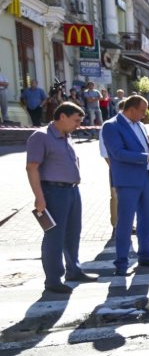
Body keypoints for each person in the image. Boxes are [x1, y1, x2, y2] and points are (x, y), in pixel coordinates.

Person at [25, 102, 98, 294]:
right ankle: (53, 280)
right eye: (75, 120)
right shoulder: (41, 136)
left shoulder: (67, 136)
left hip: (72, 191)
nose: (78, 125)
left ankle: (73, 270)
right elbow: (32, 167)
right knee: (54, 237)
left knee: (73, 233)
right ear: (62, 116)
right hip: (53, 192)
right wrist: (39, 197)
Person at [101, 95, 149, 276]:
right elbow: (118, 153)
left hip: (146, 176)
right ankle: (121, 263)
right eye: (142, 110)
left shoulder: (139, 125)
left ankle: (145, 254)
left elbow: (142, 148)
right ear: (131, 109)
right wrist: (147, 158)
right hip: (128, 180)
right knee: (125, 222)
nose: (145, 114)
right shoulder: (111, 126)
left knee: (146, 219)